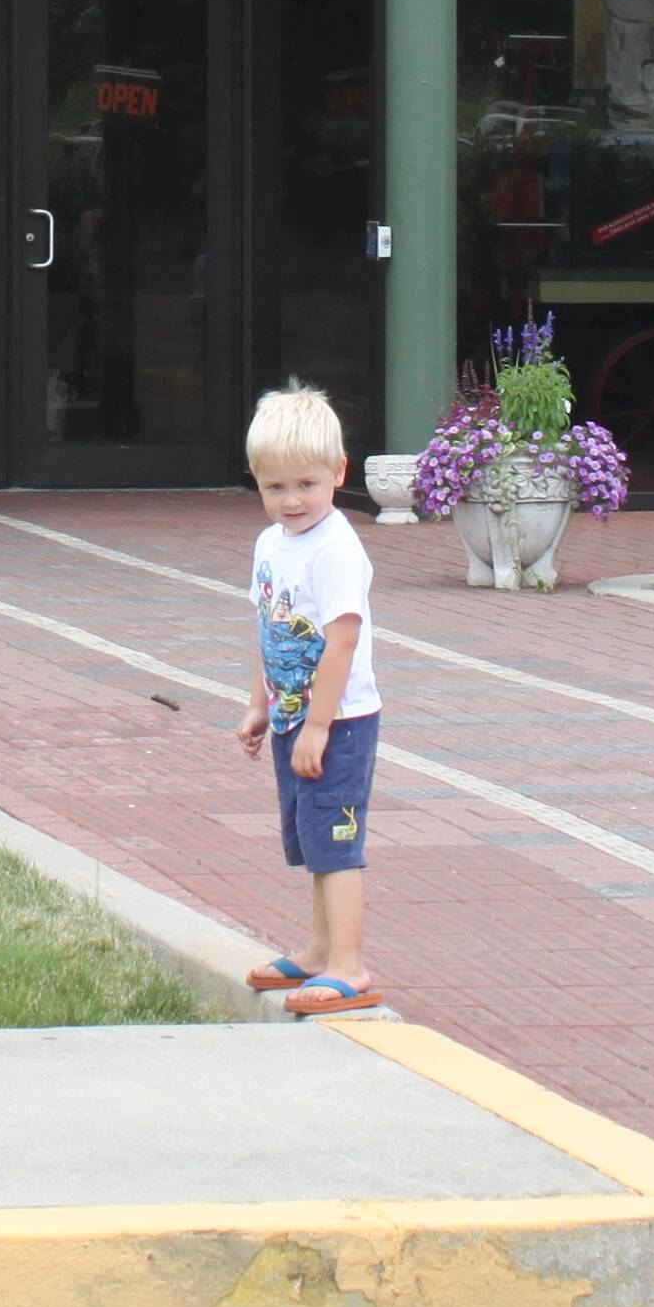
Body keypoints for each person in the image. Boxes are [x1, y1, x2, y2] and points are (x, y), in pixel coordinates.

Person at [232, 382, 387, 1017]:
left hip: (340, 722)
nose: (291, 500)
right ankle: (320, 950)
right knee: (312, 838)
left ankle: (350, 964)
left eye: (306, 484)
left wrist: (320, 726)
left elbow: (341, 644)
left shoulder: (335, 549)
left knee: (337, 841)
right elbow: (269, 629)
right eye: (275, 487)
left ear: (338, 474)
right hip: (296, 716)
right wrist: (258, 706)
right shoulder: (273, 545)